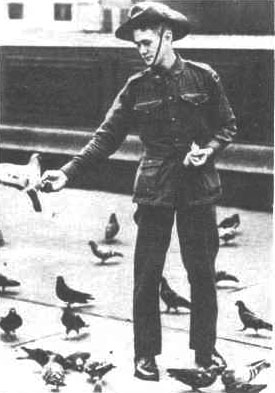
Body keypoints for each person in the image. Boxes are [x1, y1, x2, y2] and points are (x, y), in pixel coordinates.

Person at [41, 1, 237, 382]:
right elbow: (105, 137)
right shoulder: (135, 87)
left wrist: (209, 151)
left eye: (147, 42)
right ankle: (145, 355)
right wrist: (67, 173)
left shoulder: (204, 77)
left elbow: (227, 125)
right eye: (137, 45)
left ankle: (205, 350)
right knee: (147, 275)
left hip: (198, 189)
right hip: (154, 190)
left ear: (167, 36)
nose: (142, 50)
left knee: (202, 273)